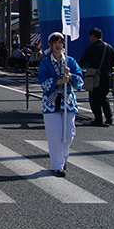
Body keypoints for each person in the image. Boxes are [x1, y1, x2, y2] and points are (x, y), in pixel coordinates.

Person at [38, 32, 83, 177]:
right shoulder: (45, 62)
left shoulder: (70, 61)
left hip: (68, 101)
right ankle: (57, 165)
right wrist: (58, 81)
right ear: (50, 45)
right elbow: (43, 82)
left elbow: (80, 80)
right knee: (54, 135)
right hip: (51, 102)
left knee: (69, 134)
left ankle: (62, 158)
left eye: (60, 42)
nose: (58, 45)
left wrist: (70, 77)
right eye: (55, 42)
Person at [77, 27, 114, 126]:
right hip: (106, 76)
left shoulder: (91, 48)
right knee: (104, 97)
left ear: (93, 36)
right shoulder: (109, 47)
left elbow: (83, 61)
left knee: (94, 98)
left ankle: (98, 119)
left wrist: (74, 67)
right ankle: (109, 117)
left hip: (95, 76)